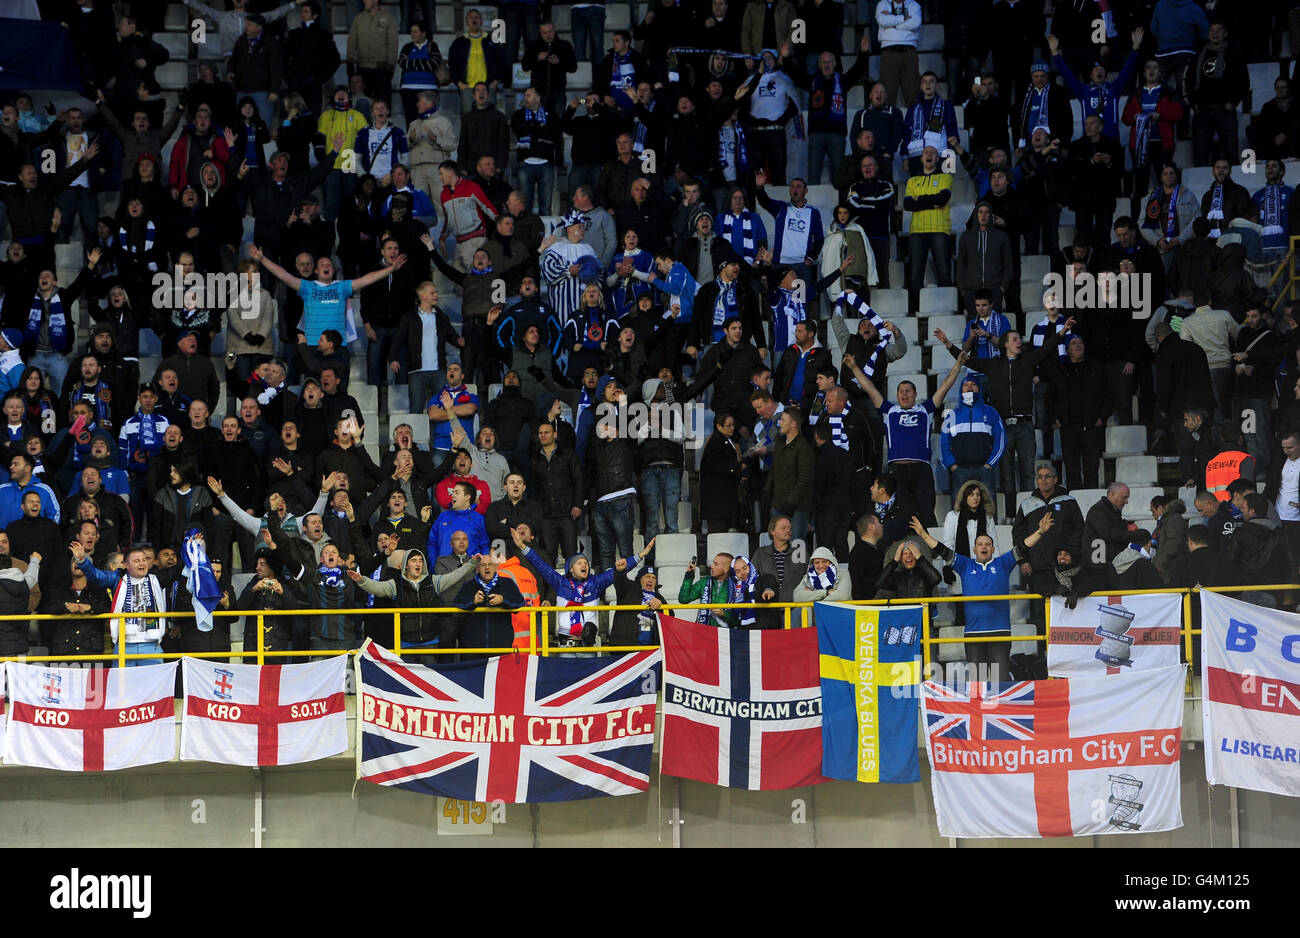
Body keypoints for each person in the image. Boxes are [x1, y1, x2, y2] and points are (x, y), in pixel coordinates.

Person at [848, 346, 968, 528]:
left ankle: (931, 552)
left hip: (921, 470)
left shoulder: (925, 410)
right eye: (901, 391)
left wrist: (958, 363)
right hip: (897, 471)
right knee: (899, 514)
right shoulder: (889, 411)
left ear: (915, 394)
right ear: (896, 395)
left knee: (927, 513)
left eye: (908, 391)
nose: (904, 394)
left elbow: (945, 385)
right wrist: (854, 367)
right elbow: (870, 388)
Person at [515, 527, 651, 647]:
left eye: (585, 563)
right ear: (571, 569)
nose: (584, 565)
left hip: (588, 645)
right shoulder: (561, 583)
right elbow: (541, 566)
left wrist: (639, 557)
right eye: (579, 563)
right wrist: (523, 548)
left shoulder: (595, 583)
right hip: (565, 646)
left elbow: (616, 571)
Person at [72, 541, 167, 666]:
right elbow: (96, 576)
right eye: (137, 561)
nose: (142, 563)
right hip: (124, 646)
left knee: (154, 684)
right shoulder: (118, 579)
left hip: (151, 645)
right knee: (122, 685)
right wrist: (82, 561)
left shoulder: (156, 579)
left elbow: (178, 570)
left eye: (144, 560)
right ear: (125, 564)